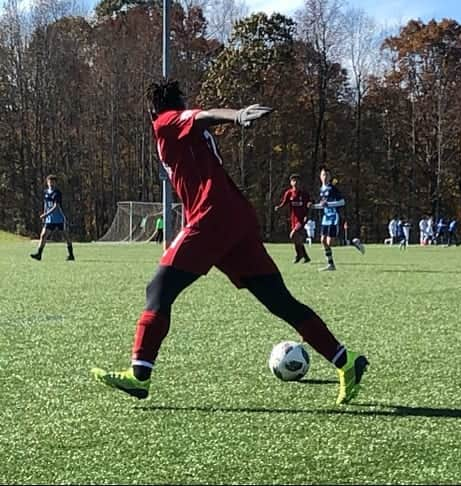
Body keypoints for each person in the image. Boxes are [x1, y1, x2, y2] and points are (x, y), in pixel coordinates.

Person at [91, 80, 368, 405]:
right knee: (280, 302)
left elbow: (202, 116)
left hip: (212, 218)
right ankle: (345, 362)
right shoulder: (187, 135)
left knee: (158, 290)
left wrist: (235, 116)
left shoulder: (165, 123)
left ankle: (140, 376)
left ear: (154, 109)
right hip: (235, 218)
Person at [311, 167, 364, 271]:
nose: (325, 177)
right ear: (320, 176)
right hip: (325, 218)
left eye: (327, 175)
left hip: (333, 217)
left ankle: (353, 242)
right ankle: (331, 264)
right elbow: (323, 205)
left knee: (330, 242)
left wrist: (329, 204)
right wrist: (314, 206)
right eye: (323, 175)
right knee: (323, 240)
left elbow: (342, 202)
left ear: (330, 177)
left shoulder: (333, 189)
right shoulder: (321, 190)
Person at [30, 174, 75, 261]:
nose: (51, 184)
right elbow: (46, 204)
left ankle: (71, 254)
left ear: (56, 183)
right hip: (50, 220)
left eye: (53, 182)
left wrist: (46, 214)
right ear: (47, 182)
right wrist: (45, 214)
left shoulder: (57, 193)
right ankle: (39, 254)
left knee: (66, 236)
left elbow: (56, 207)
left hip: (59, 219)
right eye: (50, 182)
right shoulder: (46, 192)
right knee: (43, 235)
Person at [274, 174, 311, 264]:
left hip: (301, 219)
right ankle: (304, 256)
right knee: (296, 238)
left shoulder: (304, 194)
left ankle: (299, 255)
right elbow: (284, 203)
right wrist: (279, 207)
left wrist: (307, 215)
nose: (295, 183)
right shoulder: (289, 193)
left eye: (297, 181)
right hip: (293, 219)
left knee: (293, 235)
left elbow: (309, 205)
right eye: (293, 181)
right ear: (291, 183)